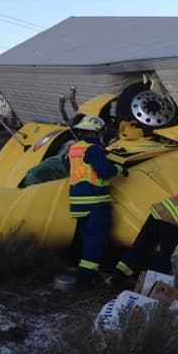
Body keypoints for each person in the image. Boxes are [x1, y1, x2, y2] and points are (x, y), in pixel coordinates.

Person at [109, 178, 178, 288]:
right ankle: (149, 287)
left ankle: (115, 278)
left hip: (158, 212)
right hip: (173, 222)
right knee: (165, 259)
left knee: (140, 248)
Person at [63, 115, 125, 286]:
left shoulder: (73, 150)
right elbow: (105, 171)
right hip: (96, 202)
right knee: (96, 239)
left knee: (88, 239)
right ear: (98, 134)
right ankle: (87, 278)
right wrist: (119, 168)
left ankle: (86, 273)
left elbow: (69, 169)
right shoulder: (94, 150)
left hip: (78, 203)